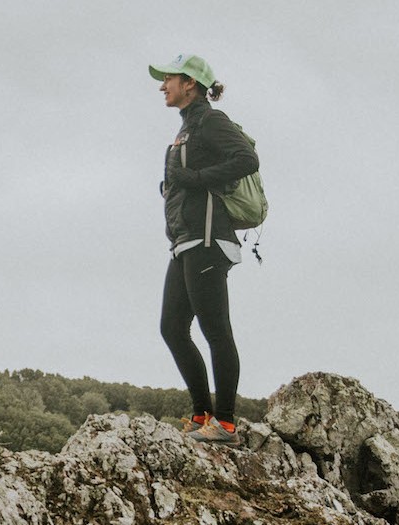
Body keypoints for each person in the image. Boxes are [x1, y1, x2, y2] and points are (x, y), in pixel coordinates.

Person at [149, 54, 259, 443]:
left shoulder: (211, 121)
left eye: (169, 79)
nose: (163, 85)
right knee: (172, 328)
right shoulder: (186, 128)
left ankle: (225, 424)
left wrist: (194, 178)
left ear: (190, 83)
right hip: (185, 241)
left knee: (215, 330)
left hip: (209, 240)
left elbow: (247, 159)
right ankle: (202, 415)